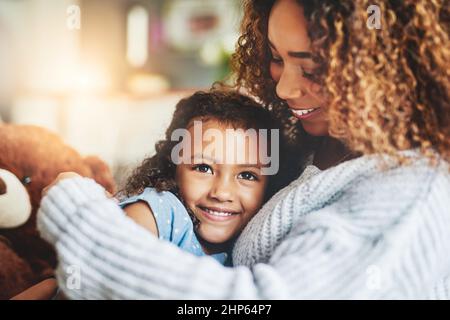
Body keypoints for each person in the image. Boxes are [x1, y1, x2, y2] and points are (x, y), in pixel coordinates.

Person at [37, 0, 449, 299]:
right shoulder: (310, 145)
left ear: (387, 66)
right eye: (275, 58)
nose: (284, 88)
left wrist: (77, 213)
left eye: (312, 68)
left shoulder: (410, 194)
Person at [118, 90, 284, 266]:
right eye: (203, 168)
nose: (222, 193)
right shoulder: (161, 211)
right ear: (173, 166)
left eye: (246, 175)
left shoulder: (254, 242)